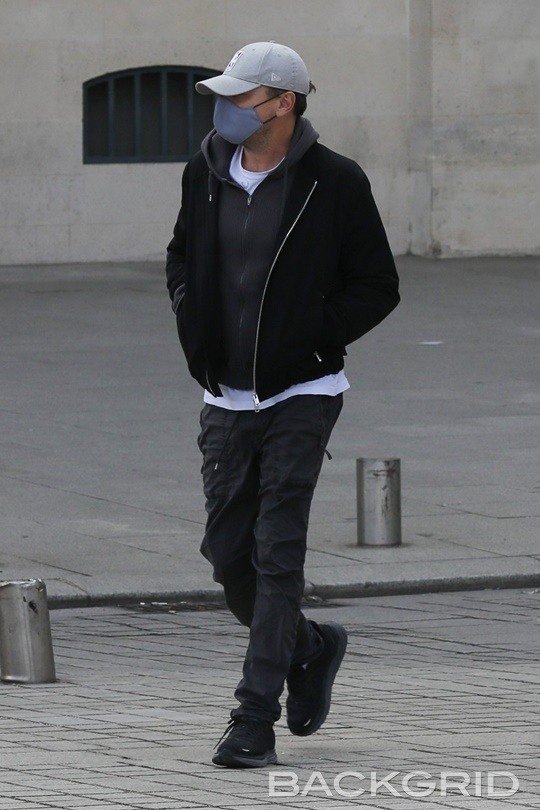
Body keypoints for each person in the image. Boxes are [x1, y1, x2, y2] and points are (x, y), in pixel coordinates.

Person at [165, 41, 400, 768]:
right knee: (227, 555)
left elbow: (378, 285)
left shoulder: (335, 180)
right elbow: (181, 256)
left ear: (284, 103)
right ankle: (310, 644)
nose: (227, 109)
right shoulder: (204, 171)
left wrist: (312, 336)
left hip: (303, 392)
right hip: (224, 394)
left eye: (242, 97)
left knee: (276, 555)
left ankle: (253, 718)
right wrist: (191, 316)